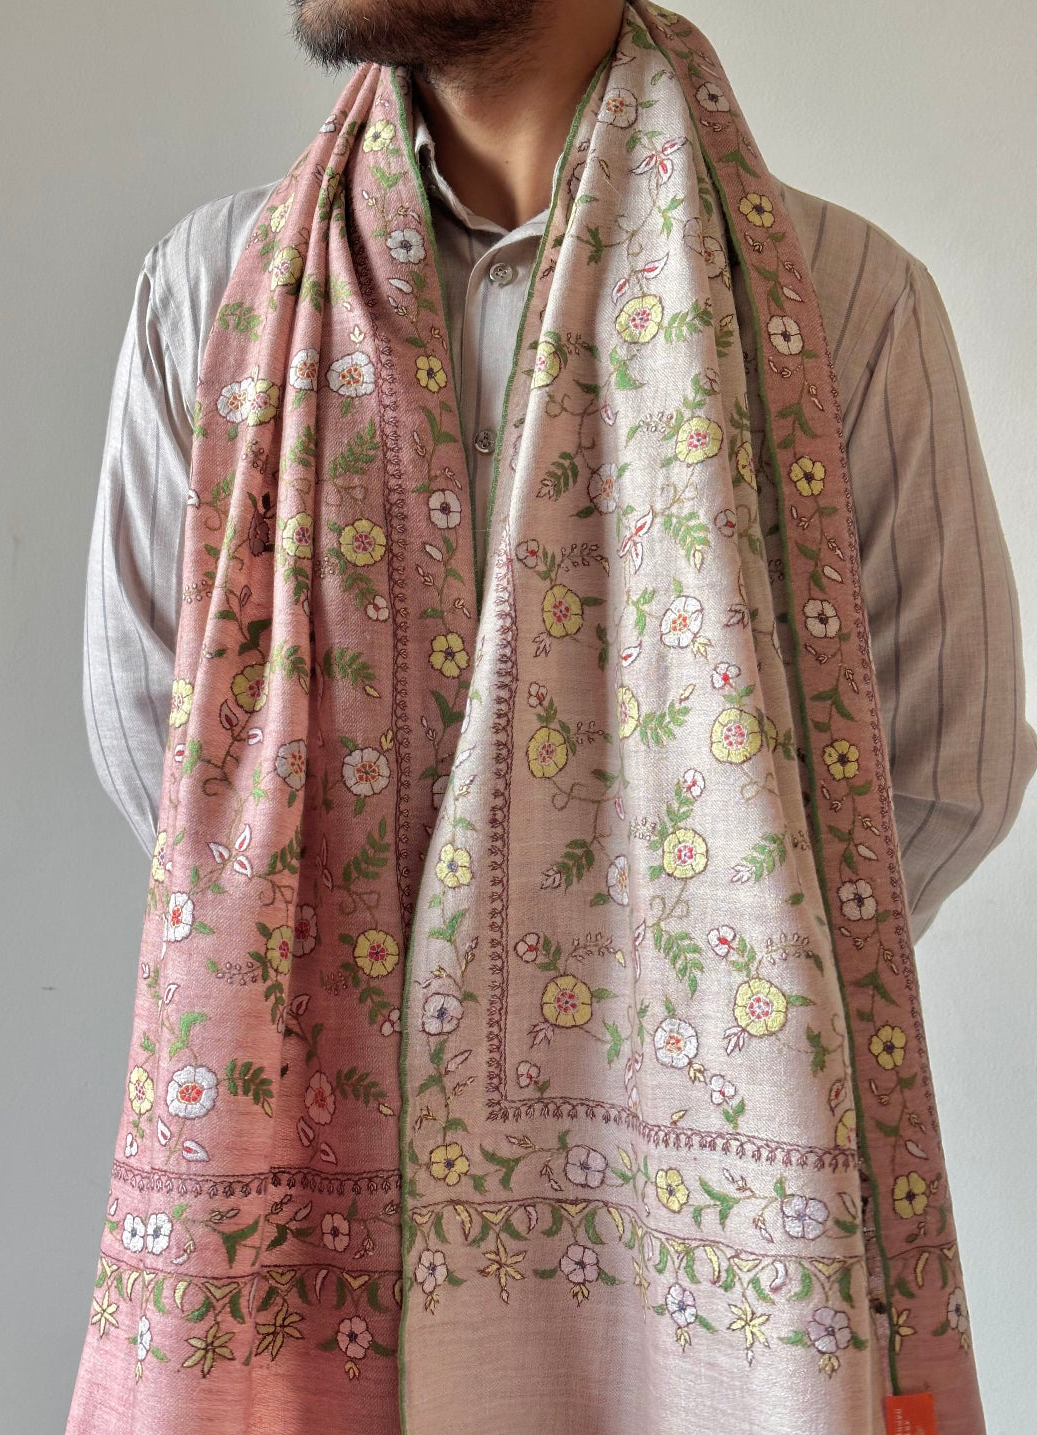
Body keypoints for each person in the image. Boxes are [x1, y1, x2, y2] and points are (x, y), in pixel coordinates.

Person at [84, 0, 1036, 948]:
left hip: (706, 1087)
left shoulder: (840, 304)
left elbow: (944, 769)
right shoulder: (213, 290)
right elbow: (164, 745)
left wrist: (706, 1013)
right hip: (320, 1086)